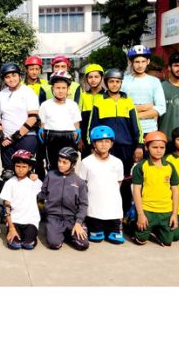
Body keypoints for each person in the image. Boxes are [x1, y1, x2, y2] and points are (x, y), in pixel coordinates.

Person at [87, 68, 143, 213]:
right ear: (106, 83)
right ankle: (103, 211)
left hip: (126, 147)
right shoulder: (99, 102)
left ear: (121, 83)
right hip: (106, 148)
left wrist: (139, 146)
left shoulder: (128, 102)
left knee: (124, 180)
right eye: (111, 81)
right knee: (104, 179)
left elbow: (136, 126)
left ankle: (122, 212)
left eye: (117, 82)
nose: (114, 84)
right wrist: (93, 146)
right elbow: (92, 126)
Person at [77, 126, 125, 244]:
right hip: (94, 207)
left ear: (112, 143)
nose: (104, 144)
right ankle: (94, 225)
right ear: (94, 143)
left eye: (107, 141)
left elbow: (119, 182)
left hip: (113, 206)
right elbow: (82, 183)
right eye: (100, 141)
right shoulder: (86, 162)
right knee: (96, 238)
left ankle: (114, 226)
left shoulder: (117, 162)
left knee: (116, 239)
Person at [130, 132, 179, 246]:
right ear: (147, 147)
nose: (159, 150)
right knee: (140, 240)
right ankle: (132, 222)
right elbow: (136, 190)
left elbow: (175, 191)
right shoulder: (141, 166)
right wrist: (141, 214)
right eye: (155, 147)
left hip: (166, 211)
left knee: (168, 242)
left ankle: (156, 229)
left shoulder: (170, 166)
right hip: (147, 210)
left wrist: (174, 214)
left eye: (162, 147)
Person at [38, 147, 89, 251]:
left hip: (72, 218)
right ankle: (56, 231)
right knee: (54, 244)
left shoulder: (80, 182)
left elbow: (83, 205)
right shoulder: (50, 176)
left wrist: (78, 223)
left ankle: (69, 232)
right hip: (54, 217)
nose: (60, 164)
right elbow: (41, 195)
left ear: (73, 164)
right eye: (59, 161)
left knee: (83, 245)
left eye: (64, 162)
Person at [0, 62, 40, 173]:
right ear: (4, 79)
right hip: (6, 140)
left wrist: (14, 137)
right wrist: (2, 136)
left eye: (14, 75)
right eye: (7, 77)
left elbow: (33, 118)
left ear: (20, 76)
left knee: (25, 172)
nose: (11, 79)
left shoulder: (28, 92)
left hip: (26, 138)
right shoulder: (1, 95)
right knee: (8, 173)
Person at [38, 71, 81, 171]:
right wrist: (41, 131)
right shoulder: (45, 105)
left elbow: (76, 123)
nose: (60, 91)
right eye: (57, 88)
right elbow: (42, 123)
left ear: (68, 89)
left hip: (69, 136)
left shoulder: (73, 105)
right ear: (52, 88)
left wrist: (78, 132)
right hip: (51, 135)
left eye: (63, 88)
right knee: (52, 165)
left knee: (68, 165)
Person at [0, 149, 42, 250]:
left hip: (31, 221)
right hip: (14, 220)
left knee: (28, 245)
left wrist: (35, 177)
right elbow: (7, 207)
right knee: (15, 245)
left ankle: (30, 236)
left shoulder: (35, 182)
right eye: (18, 166)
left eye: (24, 167)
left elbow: (45, 193)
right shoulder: (10, 183)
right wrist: (11, 228)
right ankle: (13, 232)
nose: (20, 169)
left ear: (30, 167)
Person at [122, 45, 166, 137]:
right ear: (131, 62)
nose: (140, 65)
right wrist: (146, 107)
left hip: (150, 129)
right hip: (128, 129)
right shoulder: (123, 81)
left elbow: (161, 108)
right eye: (137, 62)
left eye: (143, 61)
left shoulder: (155, 81)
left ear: (148, 62)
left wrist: (135, 115)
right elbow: (120, 108)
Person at [78, 63, 104, 156]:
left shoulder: (106, 96)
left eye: (96, 76)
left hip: (102, 137)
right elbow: (79, 119)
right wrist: (80, 138)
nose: (93, 80)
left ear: (101, 78)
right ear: (86, 79)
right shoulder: (83, 96)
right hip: (85, 138)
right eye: (90, 77)